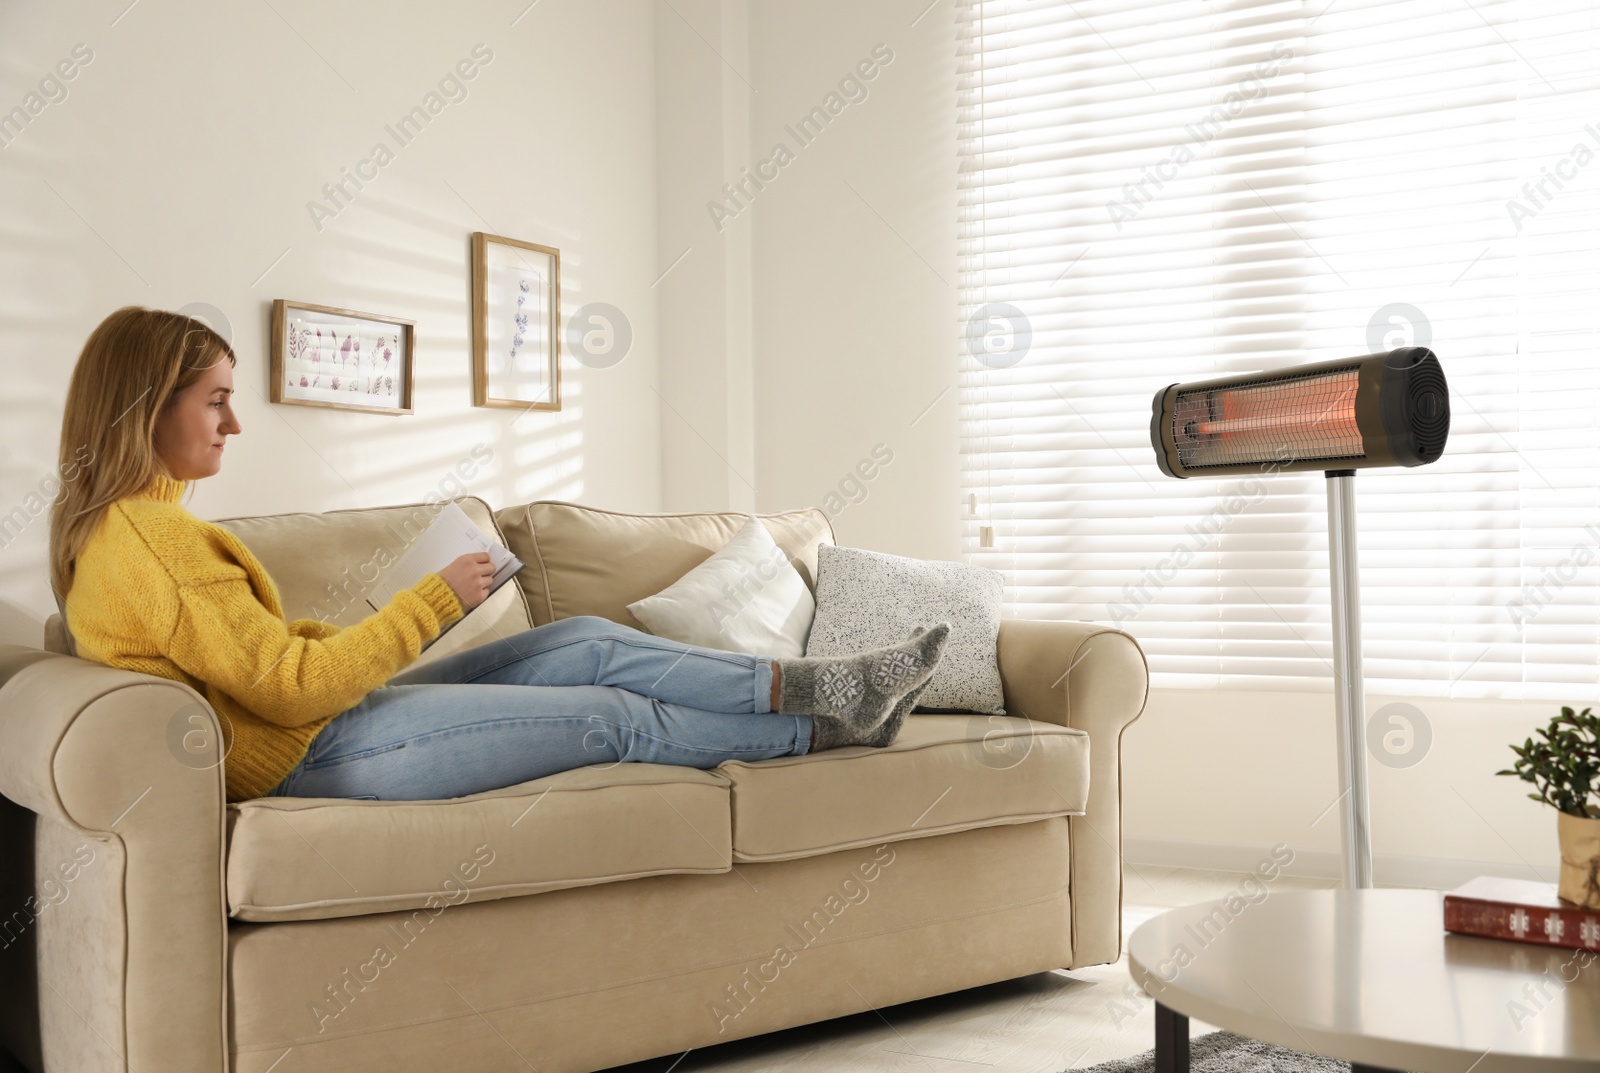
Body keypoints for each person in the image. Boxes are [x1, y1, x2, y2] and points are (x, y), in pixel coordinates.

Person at [48, 307, 951, 804]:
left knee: (583, 642)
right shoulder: (149, 538)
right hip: (308, 754)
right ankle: (824, 724)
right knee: (613, 711)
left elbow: (243, 660)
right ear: (146, 406)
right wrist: (433, 601)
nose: (234, 423)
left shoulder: (125, 533)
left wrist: (365, 624)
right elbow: (285, 688)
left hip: (313, 724)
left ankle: (817, 684)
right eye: (215, 401)